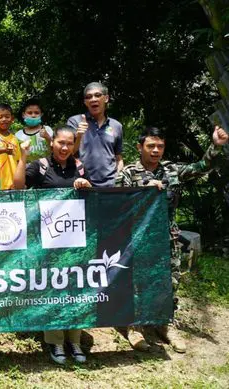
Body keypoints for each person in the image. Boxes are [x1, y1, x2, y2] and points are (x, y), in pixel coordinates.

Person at [115, 125, 228, 353]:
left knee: (169, 281)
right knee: (137, 282)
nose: (156, 150)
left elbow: (201, 167)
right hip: (139, 239)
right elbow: (117, 203)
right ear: (140, 147)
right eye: (150, 146)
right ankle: (134, 327)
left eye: (160, 146)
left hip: (168, 237)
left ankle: (164, 324)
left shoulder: (171, 170)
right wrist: (142, 190)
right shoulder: (127, 173)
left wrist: (215, 145)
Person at [12, 125, 92, 364]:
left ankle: (75, 341)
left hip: (75, 241)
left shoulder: (79, 167)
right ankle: (56, 343)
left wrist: (85, 185)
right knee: (53, 290)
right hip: (46, 242)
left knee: (76, 290)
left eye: (69, 143)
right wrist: (24, 156)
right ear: (52, 143)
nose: (65, 147)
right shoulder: (40, 166)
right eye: (61, 143)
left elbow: (89, 197)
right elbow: (18, 187)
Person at [66, 82, 123, 187]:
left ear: (106, 98)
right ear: (85, 102)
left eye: (97, 95)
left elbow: (118, 157)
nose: (93, 99)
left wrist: (118, 176)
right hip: (82, 184)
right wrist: (79, 136)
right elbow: (68, 153)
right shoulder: (75, 121)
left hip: (110, 185)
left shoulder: (116, 126)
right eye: (89, 97)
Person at [0, 103, 21, 190]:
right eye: (0, 117)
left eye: (7, 116)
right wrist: (5, 150)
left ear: (12, 118)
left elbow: (18, 161)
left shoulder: (15, 139)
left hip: (13, 185)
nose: (4, 119)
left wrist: (18, 182)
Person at [14, 98, 53, 163]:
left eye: (36, 113)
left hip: (47, 170)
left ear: (41, 115)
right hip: (27, 171)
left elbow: (54, 152)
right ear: (23, 115)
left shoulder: (48, 130)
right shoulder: (18, 135)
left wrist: (48, 138)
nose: (33, 115)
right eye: (29, 113)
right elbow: (17, 158)